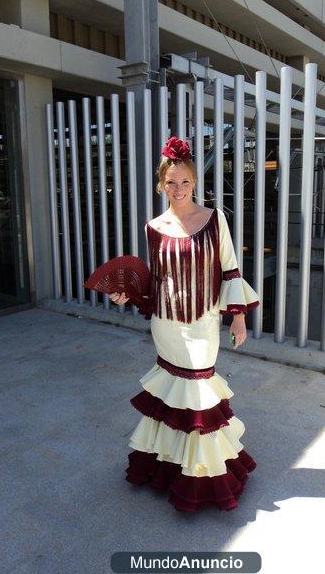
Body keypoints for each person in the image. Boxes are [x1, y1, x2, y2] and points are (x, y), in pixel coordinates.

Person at [109, 136, 260, 512]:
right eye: (171, 182)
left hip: (203, 324)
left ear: (195, 182)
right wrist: (128, 294)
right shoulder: (154, 226)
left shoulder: (214, 219)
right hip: (165, 325)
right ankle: (170, 468)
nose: (178, 189)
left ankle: (203, 476)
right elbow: (155, 279)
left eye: (185, 182)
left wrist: (237, 316)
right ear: (162, 184)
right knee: (174, 396)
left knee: (199, 395)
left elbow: (230, 267)